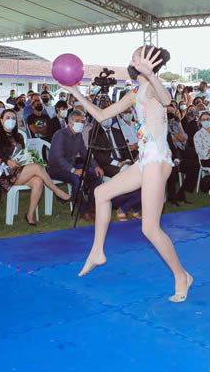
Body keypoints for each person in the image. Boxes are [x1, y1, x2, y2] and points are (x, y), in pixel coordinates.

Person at [62, 46, 193, 303]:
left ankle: (182, 276)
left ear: (149, 62)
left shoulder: (154, 87)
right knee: (101, 193)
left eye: (136, 58)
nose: (132, 62)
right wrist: (75, 92)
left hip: (157, 160)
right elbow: (101, 115)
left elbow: (167, 100)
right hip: (145, 161)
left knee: (150, 228)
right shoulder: (134, 92)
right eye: (133, 59)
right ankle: (97, 251)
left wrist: (151, 74)